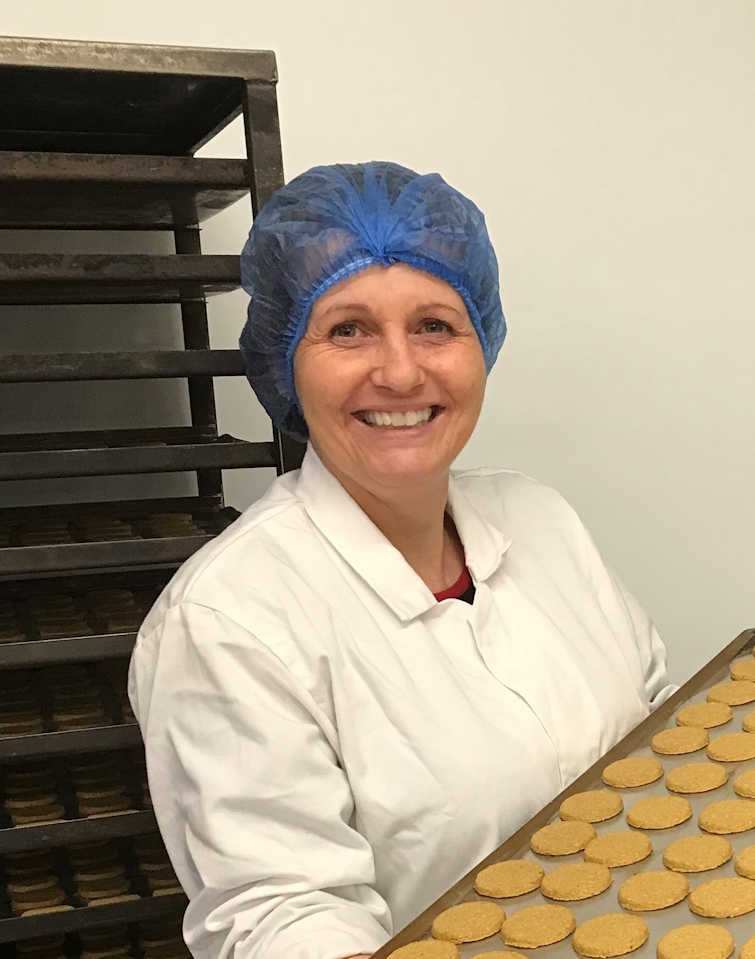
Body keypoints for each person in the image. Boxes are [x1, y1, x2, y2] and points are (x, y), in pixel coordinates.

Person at [129, 162, 675, 959]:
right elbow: (284, 914)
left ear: (482, 342)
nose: (399, 371)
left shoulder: (540, 518)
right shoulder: (230, 617)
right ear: (287, 360)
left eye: (435, 326)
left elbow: (662, 729)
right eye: (348, 329)